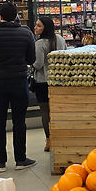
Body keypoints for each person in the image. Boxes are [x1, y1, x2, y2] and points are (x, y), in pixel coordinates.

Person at [0, 3, 36, 172]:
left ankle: (1, 162)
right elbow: (31, 59)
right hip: (19, 81)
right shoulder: (26, 33)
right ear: (17, 15)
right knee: (19, 122)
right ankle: (20, 159)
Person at [32, 16, 66, 153]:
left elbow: (38, 64)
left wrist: (30, 62)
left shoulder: (39, 44)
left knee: (45, 112)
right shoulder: (60, 39)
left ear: (45, 28)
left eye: (39, 26)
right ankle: (60, 139)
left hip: (42, 82)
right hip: (59, 81)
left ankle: (49, 140)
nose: (35, 27)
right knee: (57, 111)